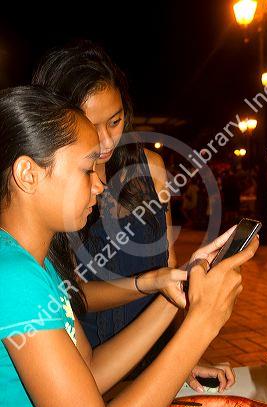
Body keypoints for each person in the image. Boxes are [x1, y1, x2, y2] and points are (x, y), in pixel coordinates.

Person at [0, 85, 259, 407]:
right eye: (87, 170)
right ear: (28, 174)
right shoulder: (14, 276)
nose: (100, 185)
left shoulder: (38, 265)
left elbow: (89, 370)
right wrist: (203, 322)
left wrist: (174, 293)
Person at [32, 41, 179, 347]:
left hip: (154, 347)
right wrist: (145, 283)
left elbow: (169, 267)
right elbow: (68, 294)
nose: (106, 141)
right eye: (90, 126)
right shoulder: (50, 186)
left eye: (115, 121)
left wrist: (183, 353)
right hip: (95, 354)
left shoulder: (150, 169)